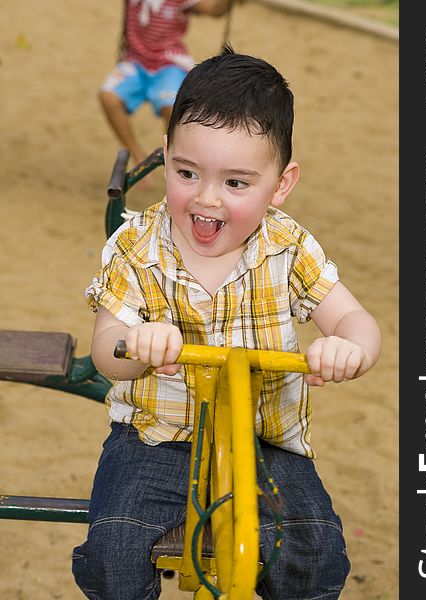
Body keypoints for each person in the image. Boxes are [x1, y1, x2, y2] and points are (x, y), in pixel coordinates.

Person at [73, 47, 382, 599]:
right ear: (165, 155)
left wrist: (350, 348)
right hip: (157, 438)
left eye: (236, 183)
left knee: (313, 551)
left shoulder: (286, 247)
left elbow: (357, 320)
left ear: (281, 184)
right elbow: (104, 349)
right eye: (187, 172)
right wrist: (135, 343)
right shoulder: (138, 247)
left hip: (265, 442)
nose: (206, 199)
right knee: (112, 551)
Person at [99, 0, 235, 182]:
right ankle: (138, 157)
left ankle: (177, 165)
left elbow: (213, 10)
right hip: (135, 62)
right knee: (108, 97)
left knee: (171, 108)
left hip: (169, 63)